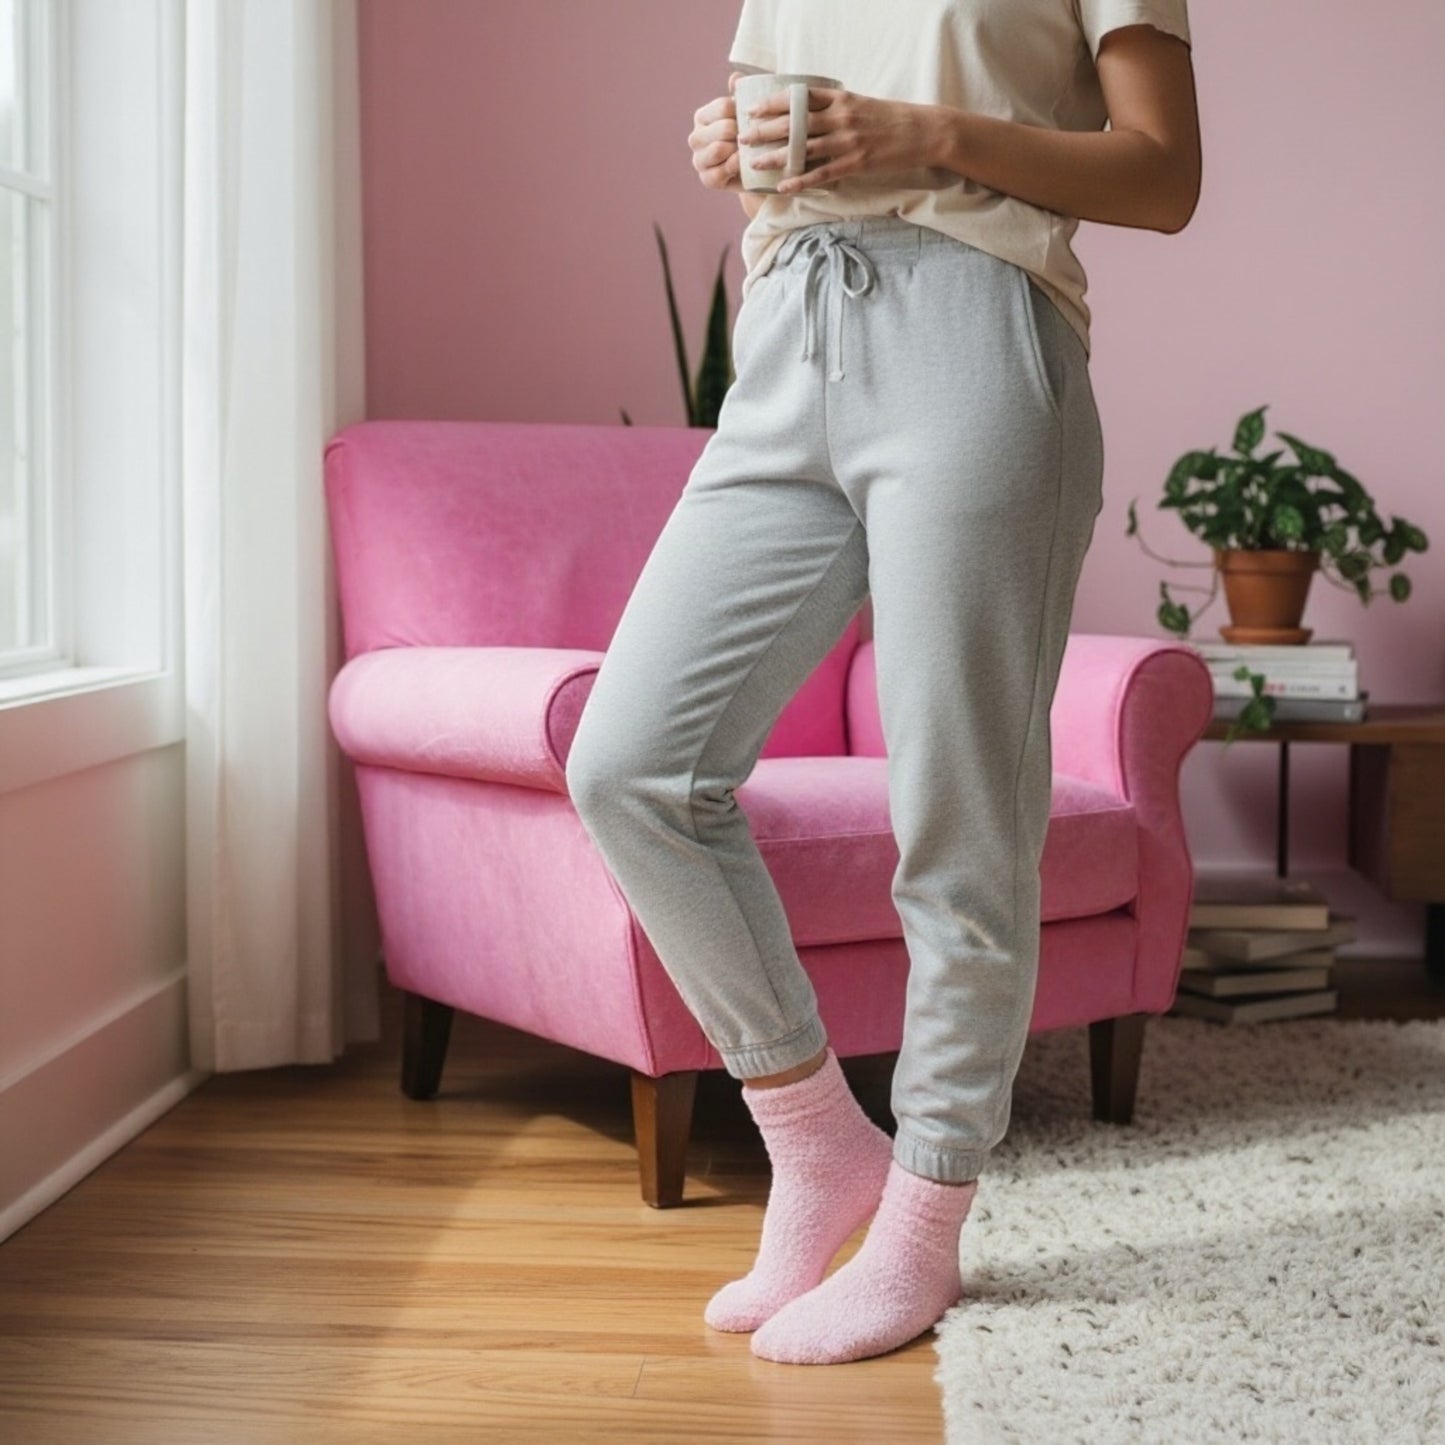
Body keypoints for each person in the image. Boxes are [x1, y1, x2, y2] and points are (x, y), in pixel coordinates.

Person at [566, 0, 1200, 1366]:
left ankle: (923, 1219)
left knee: (959, 821)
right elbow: (779, 149)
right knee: (630, 768)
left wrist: (923, 134)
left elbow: (1163, 176)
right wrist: (735, 148)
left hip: (975, 336)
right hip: (789, 333)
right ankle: (815, 1142)